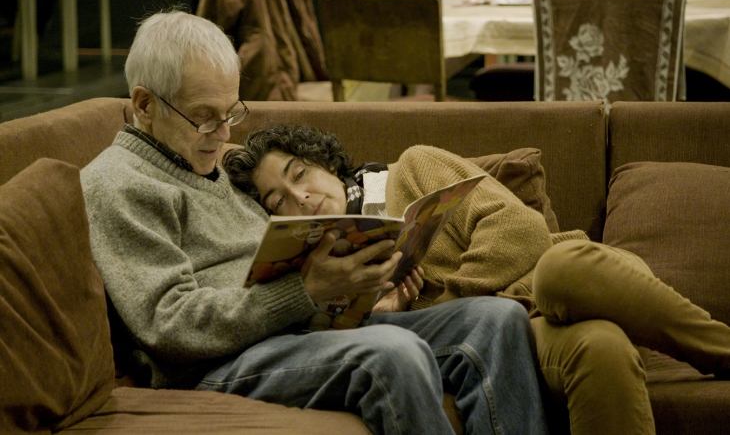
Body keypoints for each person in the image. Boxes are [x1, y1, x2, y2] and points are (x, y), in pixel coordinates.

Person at [79, 9, 549, 435]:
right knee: (391, 355)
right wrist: (305, 291)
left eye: (230, 114)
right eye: (204, 118)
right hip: (216, 363)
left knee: (496, 319)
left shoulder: (206, 164)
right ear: (143, 104)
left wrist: (352, 294)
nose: (222, 135)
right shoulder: (117, 184)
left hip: (293, 337)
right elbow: (168, 326)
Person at [223, 122, 730, 435]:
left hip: (586, 286)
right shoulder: (321, 272)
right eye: (278, 201)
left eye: (298, 173)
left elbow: (520, 229)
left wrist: (452, 296)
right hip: (532, 337)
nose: (301, 197)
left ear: (324, 162)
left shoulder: (412, 169)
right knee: (601, 349)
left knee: (558, 269)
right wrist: (392, 317)